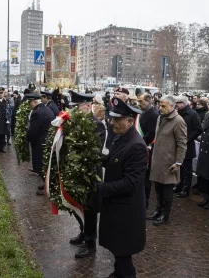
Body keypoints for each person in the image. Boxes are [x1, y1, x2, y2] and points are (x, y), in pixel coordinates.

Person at [98, 97, 148, 278]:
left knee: (123, 251)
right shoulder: (122, 138)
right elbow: (114, 161)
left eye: (117, 120)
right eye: (112, 118)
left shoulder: (136, 146)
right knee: (118, 248)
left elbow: (130, 183)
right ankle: (118, 273)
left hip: (126, 209)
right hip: (117, 205)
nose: (112, 123)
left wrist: (102, 188)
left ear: (129, 121)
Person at [67, 91, 106, 258]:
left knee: (89, 209)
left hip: (89, 173)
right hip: (78, 171)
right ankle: (83, 233)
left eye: (77, 107)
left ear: (88, 106)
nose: (74, 111)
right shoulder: (77, 121)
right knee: (79, 206)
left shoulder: (96, 124)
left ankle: (90, 244)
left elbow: (93, 151)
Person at [147, 95, 187, 225]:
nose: (160, 108)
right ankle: (158, 210)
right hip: (158, 160)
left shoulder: (178, 121)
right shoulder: (160, 117)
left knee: (167, 191)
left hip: (169, 162)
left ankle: (165, 214)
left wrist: (178, 162)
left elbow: (182, 143)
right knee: (158, 188)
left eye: (163, 106)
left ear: (172, 106)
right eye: (159, 105)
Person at [174, 95, 203, 198]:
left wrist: (188, 139)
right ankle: (179, 185)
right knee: (179, 167)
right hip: (179, 144)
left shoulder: (192, 114)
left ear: (183, 103)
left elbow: (199, 129)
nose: (176, 105)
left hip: (187, 145)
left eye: (178, 103)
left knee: (187, 169)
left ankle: (186, 189)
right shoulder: (178, 113)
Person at [26, 93, 55, 189]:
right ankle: (47, 184)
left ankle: (47, 186)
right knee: (45, 164)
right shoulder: (46, 108)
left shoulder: (37, 112)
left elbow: (33, 130)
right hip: (47, 140)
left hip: (40, 142)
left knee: (41, 164)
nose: (29, 104)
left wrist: (27, 139)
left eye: (30, 102)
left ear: (34, 102)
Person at [137, 93, 159, 208]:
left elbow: (150, 134)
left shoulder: (153, 115)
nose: (138, 103)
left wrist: (139, 144)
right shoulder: (142, 112)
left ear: (147, 101)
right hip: (141, 147)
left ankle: (145, 201)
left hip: (147, 149)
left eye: (140, 101)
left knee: (146, 177)